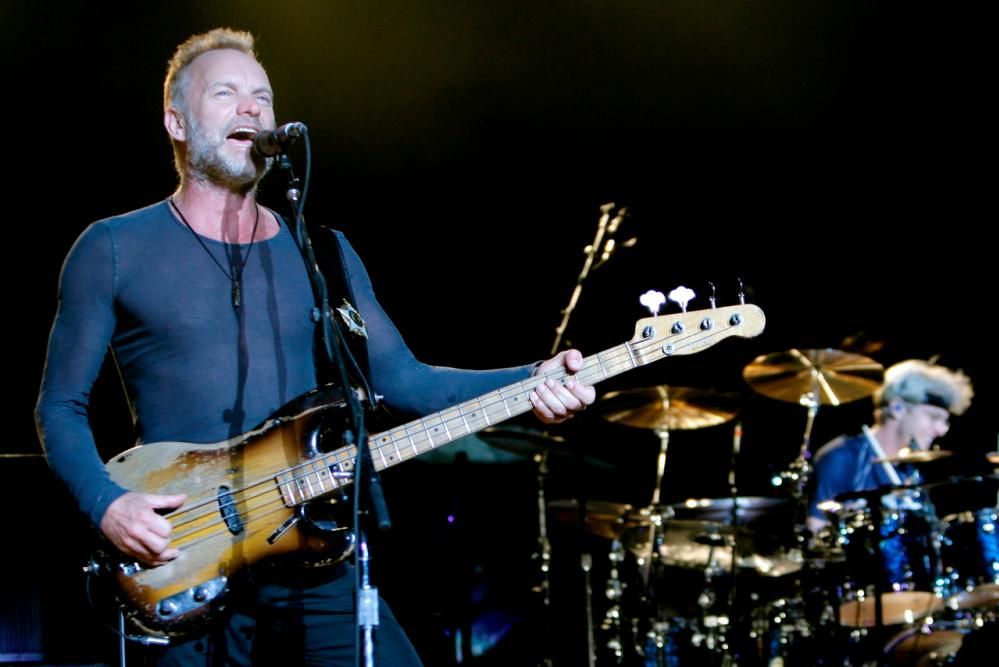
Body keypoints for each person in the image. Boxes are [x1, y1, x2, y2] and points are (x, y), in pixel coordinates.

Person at [34, 27, 594, 666]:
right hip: (184, 557)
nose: (252, 108)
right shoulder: (112, 248)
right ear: (177, 122)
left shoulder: (323, 252)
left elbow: (405, 381)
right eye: (226, 93)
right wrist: (108, 505)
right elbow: (59, 406)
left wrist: (532, 377)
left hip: (311, 548)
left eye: (263, 97)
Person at [806, 359, 973, 534]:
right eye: (933, 417)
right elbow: (817, 529)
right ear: (897, 408)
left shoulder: (911, 470)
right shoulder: (843, 456)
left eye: (945, 421)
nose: (941, 430)